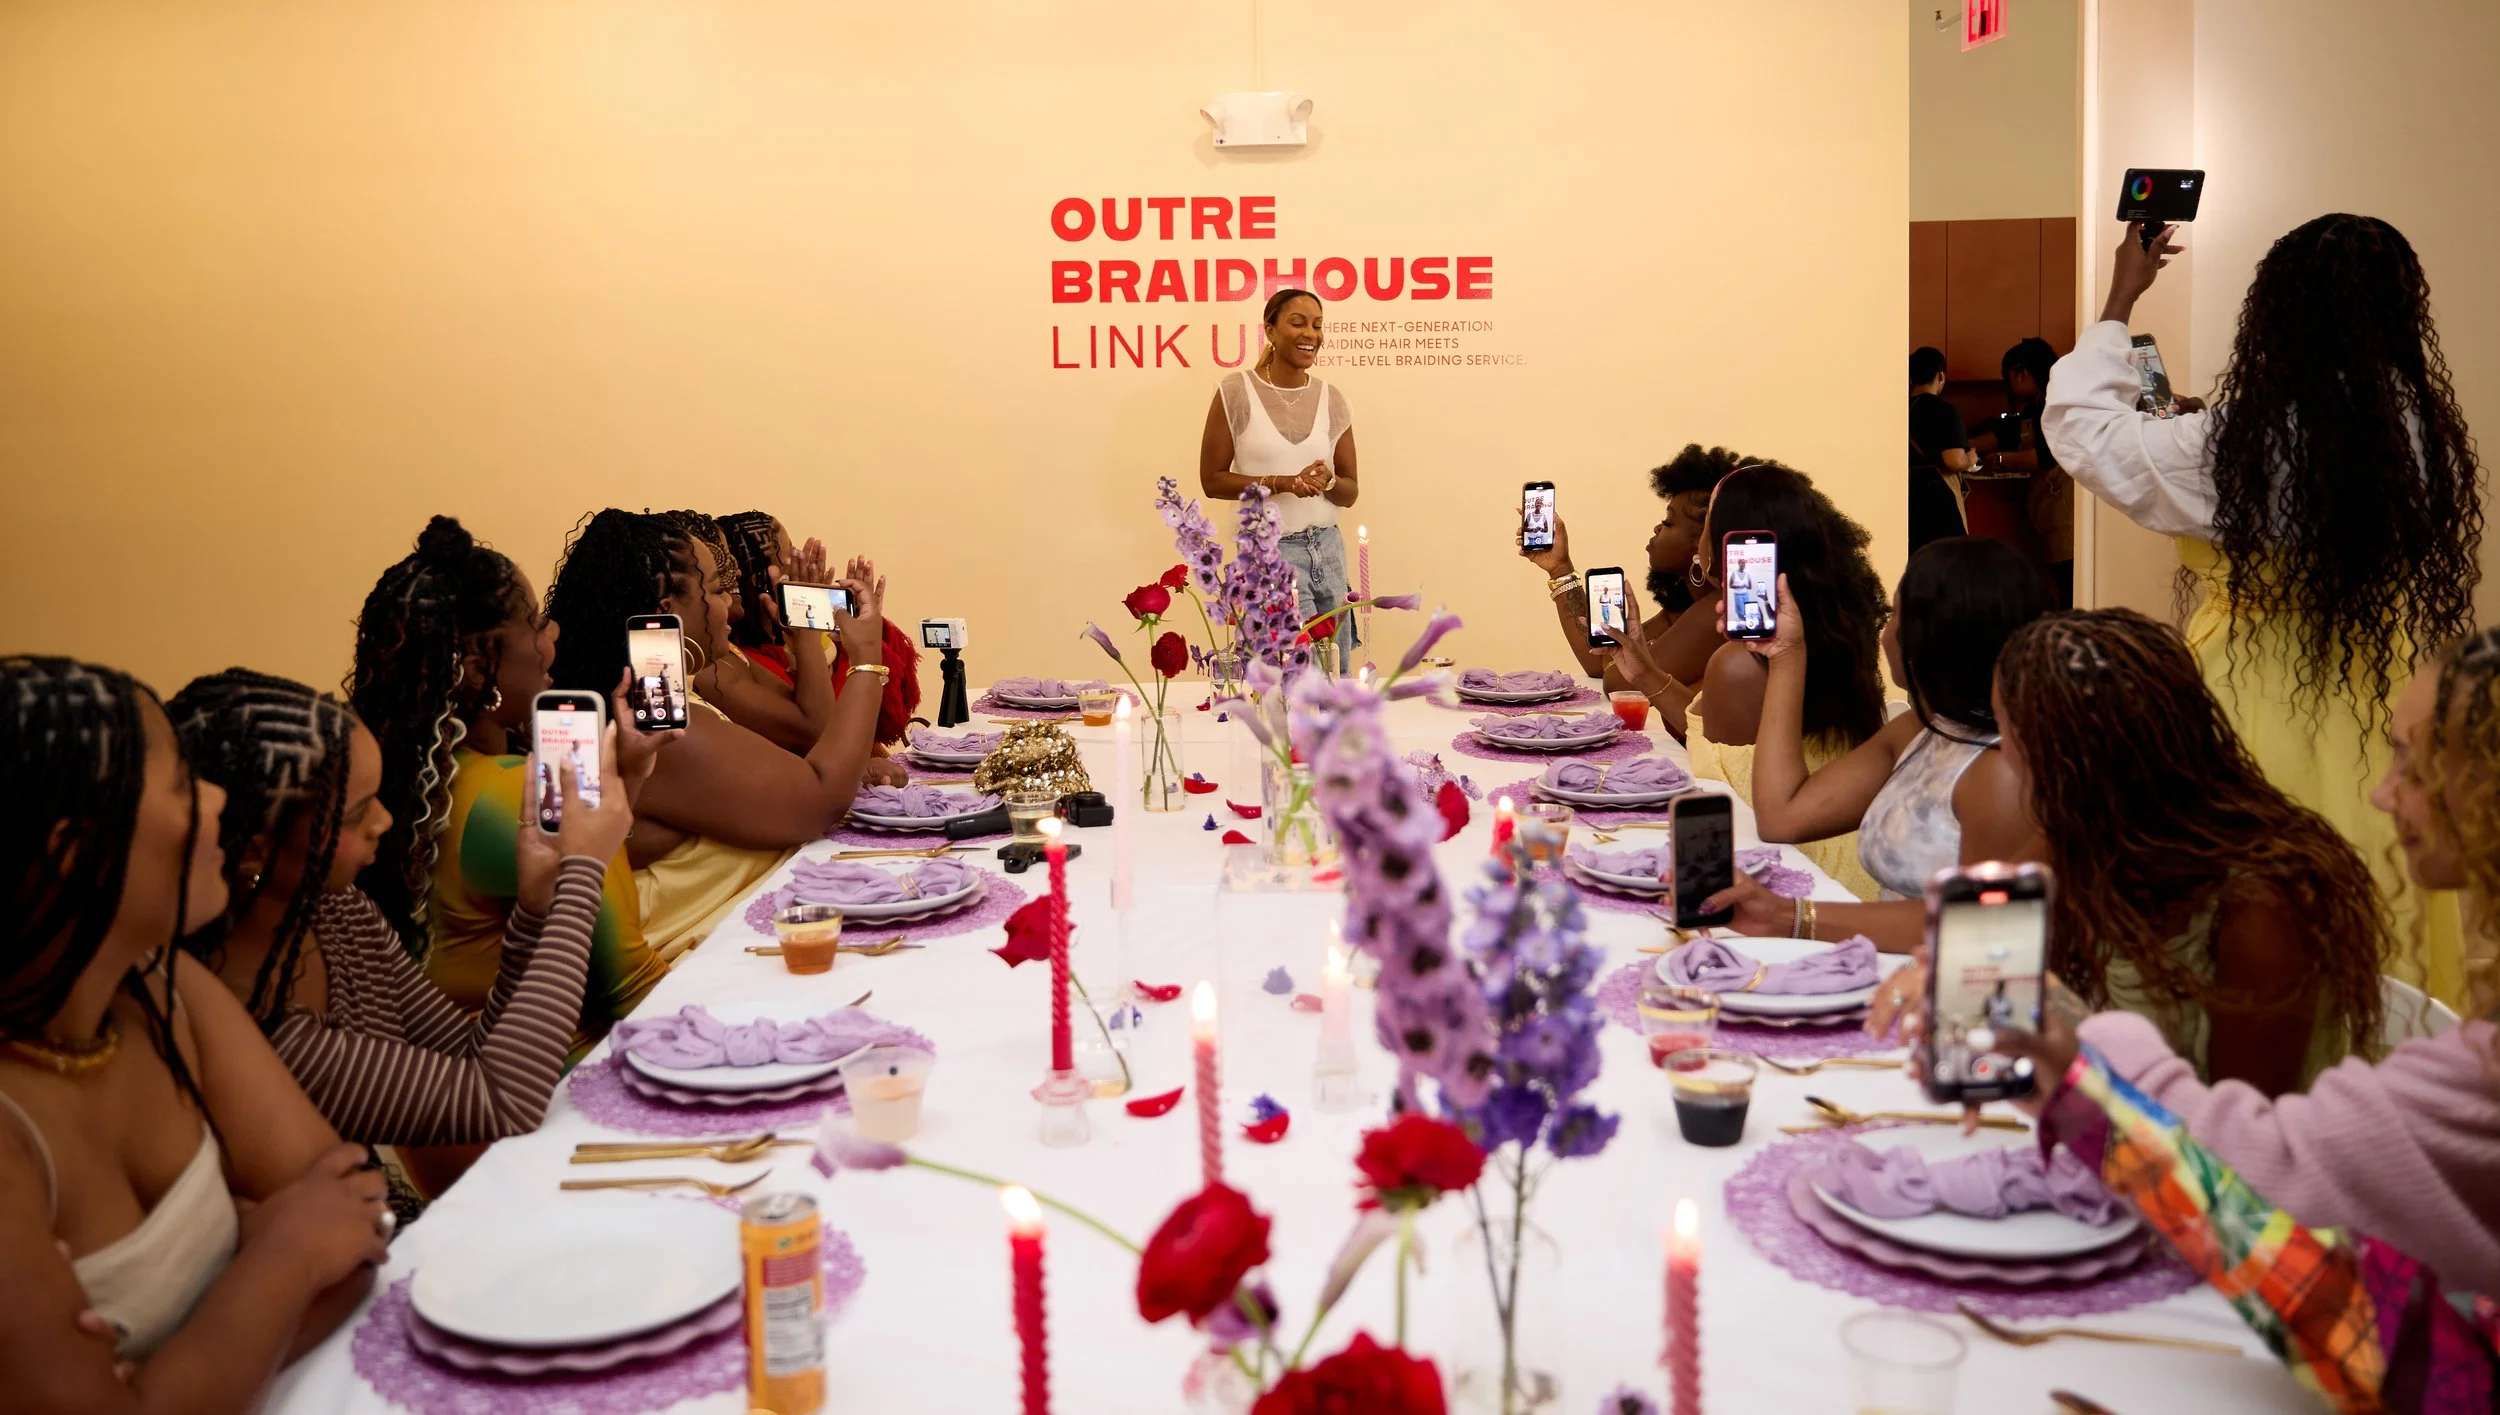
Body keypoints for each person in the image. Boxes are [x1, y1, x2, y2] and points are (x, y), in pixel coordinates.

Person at [1877, 630, 2500, 1387]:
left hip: (2256, 1245)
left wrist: (2074, 1055)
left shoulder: (2260, 906)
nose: (2380, 789)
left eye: (2410, 757)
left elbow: (2258, 1163)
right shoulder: (2095, 847)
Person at [2043, 215, 2481, 1005]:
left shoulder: (2238, 446)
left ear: (2276, 317)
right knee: (2378, 870)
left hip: (2252, 697)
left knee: (2248, 903)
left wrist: (2120, 298)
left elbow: (2085, 434)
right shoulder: (2416, 435)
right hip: (2376, 696)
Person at [0, 657, 391, 1410]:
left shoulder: (165, 991)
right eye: (181, 782)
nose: (216, 798)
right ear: (73, 849)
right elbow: (322, 1234)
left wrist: (172, 1374)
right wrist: (280, 1253)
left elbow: (359, 1213)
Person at [1885, 610, 2391, 1094]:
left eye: (2005, 730)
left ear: (2056, 753)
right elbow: (1978, 953)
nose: (2002, 753)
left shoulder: (2262, 908)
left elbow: (2235, 1149)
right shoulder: (2087, 828)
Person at [168, 670, 636, 1149]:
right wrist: (582, 875)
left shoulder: (336, 910)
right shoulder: (263, 1028)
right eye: (356, 814)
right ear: (255, 850)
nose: (385, 822)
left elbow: (468, 1052)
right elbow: (503, 1101)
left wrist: (536, 909)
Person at [348, 517, 669, 1059]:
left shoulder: (439, 781)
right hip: (552, 1082)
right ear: (478, 670)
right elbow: (630, 990)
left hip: (473, 1083)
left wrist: (630, 776)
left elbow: (578, 893)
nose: (554, 636)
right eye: (538, 624)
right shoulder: (504, 795)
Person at [544, 509, 888, 960]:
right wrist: (866, 658)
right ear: (667, 612)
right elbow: (817, 799)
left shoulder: (668, 691)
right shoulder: (651, 717)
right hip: (677, 976)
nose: (734, 604)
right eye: (715, 590)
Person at [1706, 537, 2056, 949]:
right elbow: (1784, 815)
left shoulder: (1999, 773)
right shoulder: (1923, 729)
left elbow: (1976, 931)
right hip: (1885, 965)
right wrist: (1786, 654)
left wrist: (1791, 916)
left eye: (1893, 616)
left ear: (1926, 641)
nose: (1885, 632)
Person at [1606, 463, 1892, 897]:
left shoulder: (1739, 664)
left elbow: (1729, 784)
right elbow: (1733, 745)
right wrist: (1645, 673)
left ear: (1725, 540)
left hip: (1795, 872)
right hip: (1847, 851)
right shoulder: (1828, 625)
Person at [1199, 288, 1360, 657]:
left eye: (1317, 325)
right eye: (1298, 323)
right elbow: (1213, 480)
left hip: (1328, 550)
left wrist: (1327, 482)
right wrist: (1283, 483)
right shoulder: (1235, 391)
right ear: (1270, 331)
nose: (1311, 334)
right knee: (1289, 681)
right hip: (1267, 555)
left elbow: (1350, 491)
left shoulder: (1333, 398)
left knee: (1336, 678)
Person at [1516, 444, 1745, 690]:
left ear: (1703, 540)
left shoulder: (1718, 609)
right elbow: (1600, 661)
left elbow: (1619, 681)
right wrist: (1560, 567)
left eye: (1668, 522)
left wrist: (1629, 655)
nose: (1658, 528)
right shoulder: (1684, 605)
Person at [717, 509, 924, 754]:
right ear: (756, 579)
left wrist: (863, 632)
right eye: (789, 555)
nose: (803, 561)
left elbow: (888, 722)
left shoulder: (814, 639)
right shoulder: (739, 660)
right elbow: (822, 735)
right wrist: (810, 631)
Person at [1972, 336, 2074, 604]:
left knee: (2069, 590)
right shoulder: (2041, 403)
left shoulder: (2055, 403)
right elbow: (2010, 431)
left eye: (2009, 377)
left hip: (2066, 517)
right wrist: (1969, 445)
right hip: (2052, 516)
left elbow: (2044, 457)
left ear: (2022, 372)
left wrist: (2002, 459)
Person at [1908, 345, 1971, 552]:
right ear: (1941, 376)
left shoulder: (1901, 408)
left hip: (1908, 495)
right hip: (1938, 497)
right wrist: (1971, 458)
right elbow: (1954, 460)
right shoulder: (1944, 410)